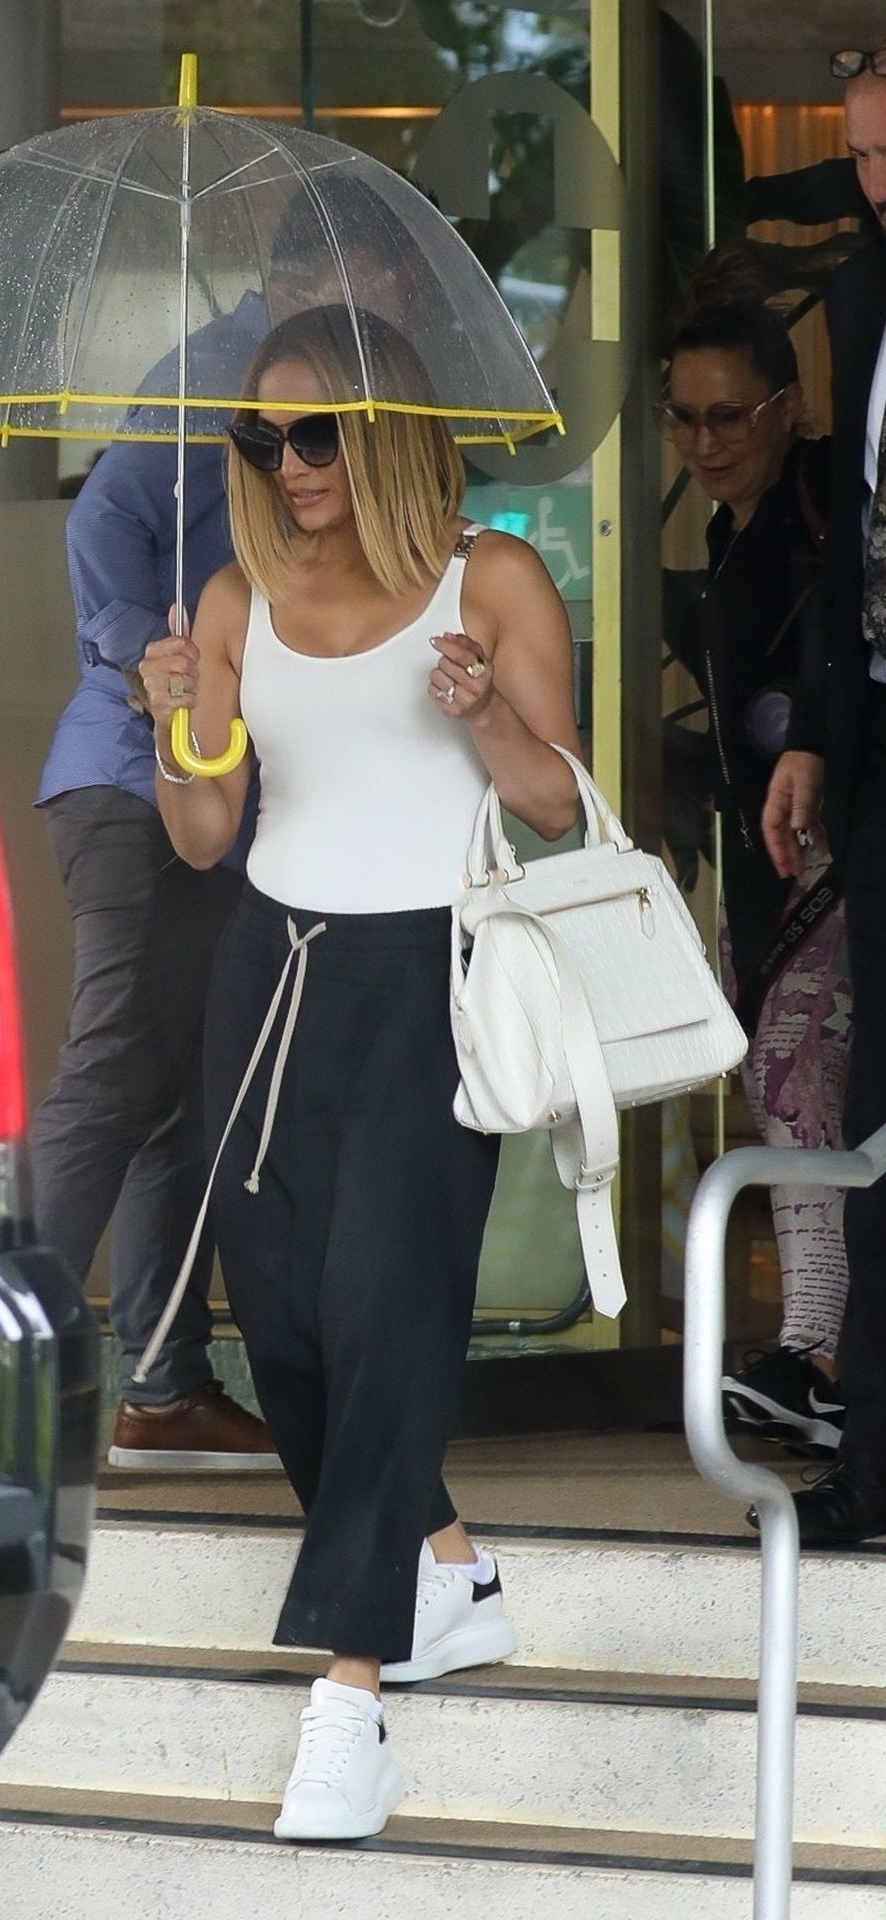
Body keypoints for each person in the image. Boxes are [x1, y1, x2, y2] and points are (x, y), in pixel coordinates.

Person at [137, 305, 581, 1839]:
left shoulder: (490, 576)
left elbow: (559, 807)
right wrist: (176, 723)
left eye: (317, 433)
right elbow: (204, 833)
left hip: (432, 974)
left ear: (390, 427)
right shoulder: (236, 595)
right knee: (286, 1324)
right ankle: (449, 1571)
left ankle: (349, 1702)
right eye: (262, 437)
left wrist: (484, 710)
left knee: (387, 1307)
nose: (291, 463)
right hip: (271, 969)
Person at [32, 286, 277, 1470]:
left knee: (180, 1090)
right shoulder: (227, 367)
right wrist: (141, 653)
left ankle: (164, 1388)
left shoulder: (311, 377)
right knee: (113, 1078)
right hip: (136, 784)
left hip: (204, 796)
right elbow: (101, 516)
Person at [661, 290, 850, 1455]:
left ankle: (819, 1352)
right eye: (682, 418)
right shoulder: (726, 537)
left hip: (830, 860)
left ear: (785, 406)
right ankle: (819, 1354)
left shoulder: (826, 509)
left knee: (793, 1081)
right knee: (784, 1092)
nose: (703, 440)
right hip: (763, 867)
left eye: (726, 413)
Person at [759, 47, 886, 1544]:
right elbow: (849, 535)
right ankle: (872, 1460)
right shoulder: (859, 296)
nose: (872, 183)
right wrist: (813, 737)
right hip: (878, 737)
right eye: (857, 154)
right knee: (872, 1103)